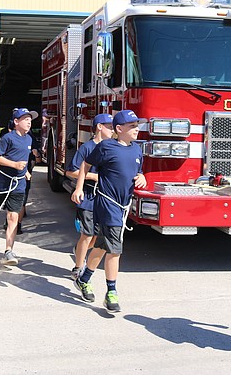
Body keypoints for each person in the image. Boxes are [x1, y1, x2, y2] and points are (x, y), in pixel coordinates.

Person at [71, 109, 146, 313]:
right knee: (115, 249)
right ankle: (111, 293)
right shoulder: (106, 146)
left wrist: (142, 177)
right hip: (107, 203)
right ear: (119, 129)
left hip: (124, 205)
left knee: (103, 245)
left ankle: (84, 278)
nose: (136, 129)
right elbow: (85, 165)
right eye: (131, 126)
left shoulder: (137, 150)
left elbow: (138, 172)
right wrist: (79, 188)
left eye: (137, 125)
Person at [0, 108, 38, 265]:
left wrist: (25, 172)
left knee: (13, 217)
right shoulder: (7, 138)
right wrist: (14, 165)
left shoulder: (29, 139)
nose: (29, 122)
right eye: (25, 119)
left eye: (30, 119)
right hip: (3, 181)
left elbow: (23, 160)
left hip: (19, 184)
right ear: (16, 122)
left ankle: (8, 251)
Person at [66, 113, 113, 279]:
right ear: (99, 127)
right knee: (86, 235)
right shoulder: (86, 148)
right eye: (109, 127)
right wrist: (92, 177)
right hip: (88, 197)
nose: (112, 130)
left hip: (105, 199)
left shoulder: (112, 148)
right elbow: (71, 171)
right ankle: (78, 267)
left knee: (96, 237)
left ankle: (80, 249)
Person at [1, 119, 41, 234]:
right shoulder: (8, 138)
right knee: (10, 200)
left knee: (21, 202)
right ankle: (10, 221)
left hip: (24, 176)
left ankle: (17, 225)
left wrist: (36, 154)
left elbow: (37, 159)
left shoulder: (30, 139)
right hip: (8, 175)